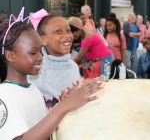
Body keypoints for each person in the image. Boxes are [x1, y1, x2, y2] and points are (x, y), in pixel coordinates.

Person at [0, 9, 104, 140]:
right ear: (10, 55)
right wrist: (64, 107)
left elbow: (43, 125)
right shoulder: (5, 94)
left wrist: (63, 102)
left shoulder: (32, 88)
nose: (40, 57)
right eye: (33, 53)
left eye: (40, 52)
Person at [28, 9, 81, 109]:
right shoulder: (36, 72)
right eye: (58, 31)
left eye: (68, 30)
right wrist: (64, 104)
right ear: (42, 40)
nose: (67, 35)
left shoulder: (73, 66)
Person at [123, 12, 142, 77]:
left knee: (135, 64)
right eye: (132, 17)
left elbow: (140, 33)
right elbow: (130, 35)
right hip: (128, 48)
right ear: (129, 18)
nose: (134, 18)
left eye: (134, 17)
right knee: (127, 64)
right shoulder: (126, 25)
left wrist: (135, 34)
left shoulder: (136, 26)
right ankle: (128, 76)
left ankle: (133, 76)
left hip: (135, 48)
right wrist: (137, 34)